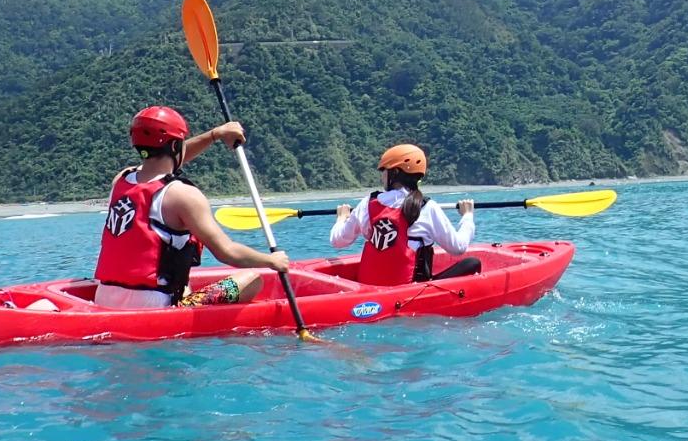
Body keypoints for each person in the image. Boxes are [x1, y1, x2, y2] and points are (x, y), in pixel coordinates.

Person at [93, 105, 290, 309]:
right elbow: (227, 251)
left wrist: (216, 135)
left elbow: (168, 161)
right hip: (154, 304)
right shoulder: (183, 195)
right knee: (251, 279)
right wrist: (272, 261)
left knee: (184, 284)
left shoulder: (122, 180)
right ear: (175, 146)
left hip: (105, 297)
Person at [330, 143, 482, 286]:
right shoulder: (427, 207)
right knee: (472, 263)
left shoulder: (367, 204)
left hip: (370, 288)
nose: (382, 176)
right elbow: (458, 247)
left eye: (384, 171)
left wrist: (341, 218)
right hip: (411, 291)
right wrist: (467, 216)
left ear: (394, 172)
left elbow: (338, 241)